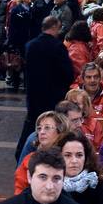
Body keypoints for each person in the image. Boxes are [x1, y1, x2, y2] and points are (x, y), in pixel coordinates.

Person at [19, 16, 73, 157]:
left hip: (33, 97)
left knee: (32, 130)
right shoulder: (58, 47)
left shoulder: (30, 46)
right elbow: (68, 73)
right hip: (53, 98)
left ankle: (25, 156)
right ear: (54, 27)